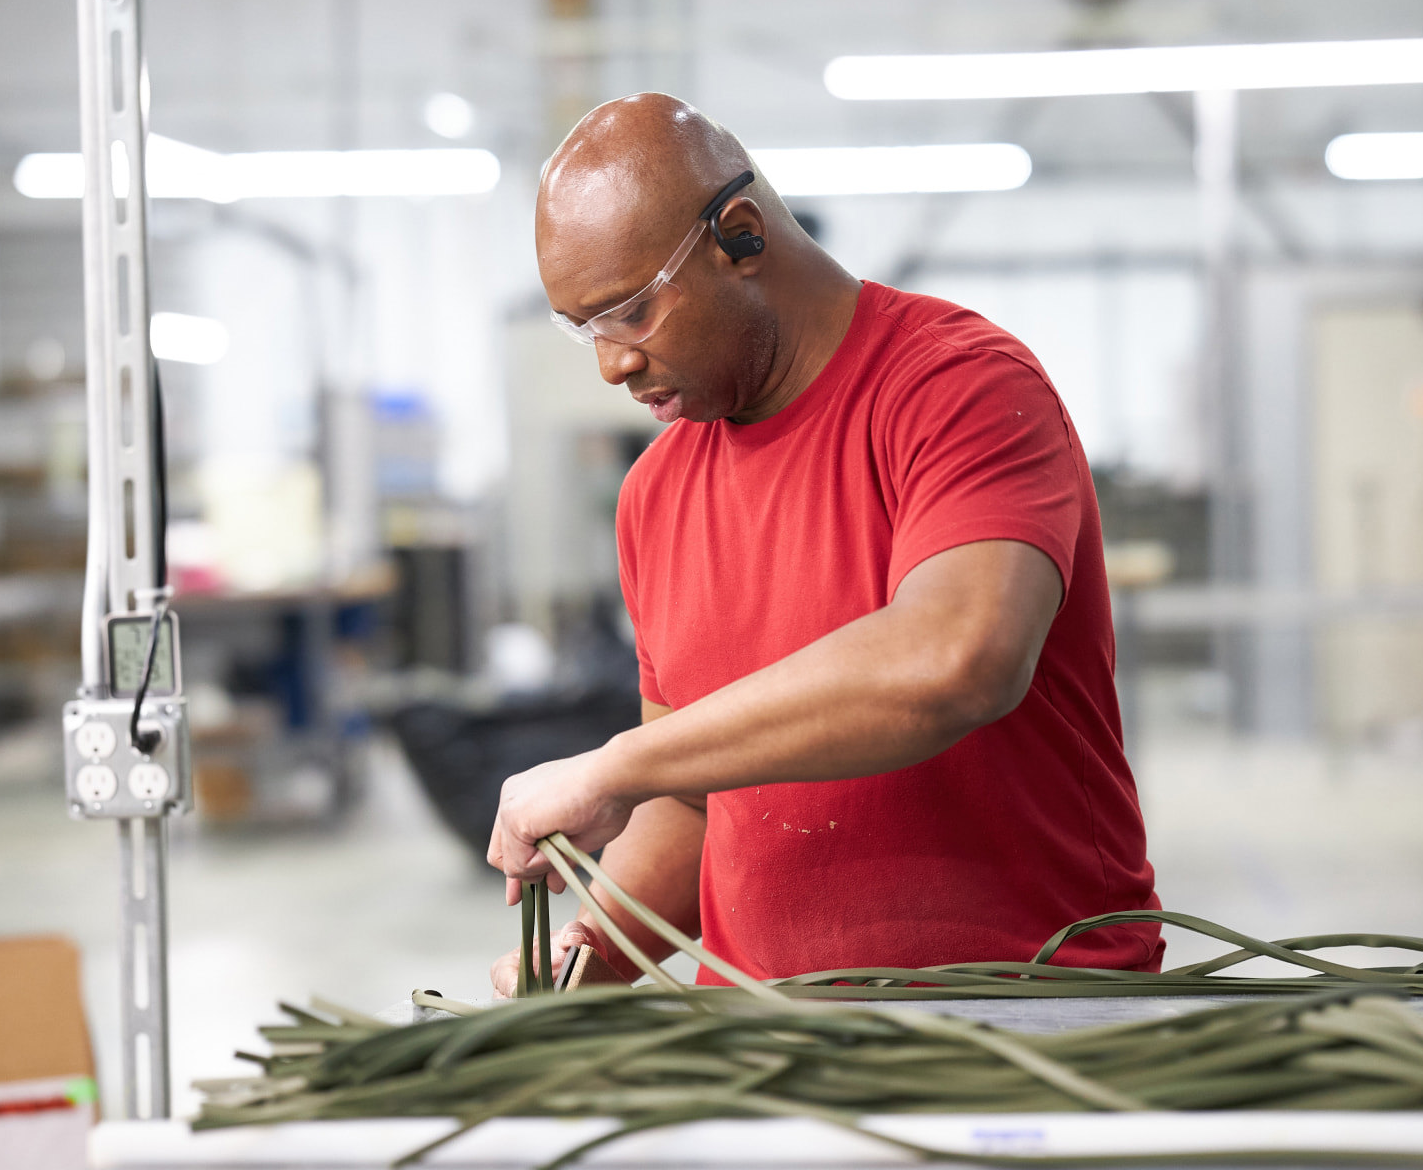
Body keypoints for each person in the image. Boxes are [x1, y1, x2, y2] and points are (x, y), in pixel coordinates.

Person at [488, 93, 1160, 996]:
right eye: (586, 330)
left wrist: (615, 767)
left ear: (741, 236)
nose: (612, 363)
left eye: (633, 312)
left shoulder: (956, 387)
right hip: (771, 1039)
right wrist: (594, 954)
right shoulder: (655, 493)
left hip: (1025, 1013)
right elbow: (695, 793)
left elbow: (957, 658)